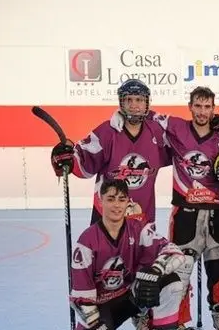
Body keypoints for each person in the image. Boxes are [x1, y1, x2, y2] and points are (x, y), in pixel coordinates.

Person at [62, 179, 198, 330]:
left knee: (172, 282)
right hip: (102, 306)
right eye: (111, 199)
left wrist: (156, 270)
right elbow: (80, 297)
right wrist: (96, 327)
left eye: (121, 199)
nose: (116, 205)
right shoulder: (86, 242)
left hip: (132, 296)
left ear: (128, 202)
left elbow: (174, 251)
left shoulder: (139, 228)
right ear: (100, 201)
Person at [158, 86, 219, 329]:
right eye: (198, 106)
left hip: (217, 212)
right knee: (179, 267)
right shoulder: (176, 127)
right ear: (190, 106)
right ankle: (177, 322)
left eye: (207, 107)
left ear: (213, 109)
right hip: (185, 211)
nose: (202, 111)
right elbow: (149, 118)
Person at [49, 79, 171, 224]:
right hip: (106, 217)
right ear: (121, 103)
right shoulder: (107, 132)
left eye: (139, 100)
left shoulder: (157, 133)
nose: (134, 105)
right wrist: (68, 158)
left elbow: (182, 150)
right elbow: (83, 162)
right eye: (128, 100)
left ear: (147, 103)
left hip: (142, 217)